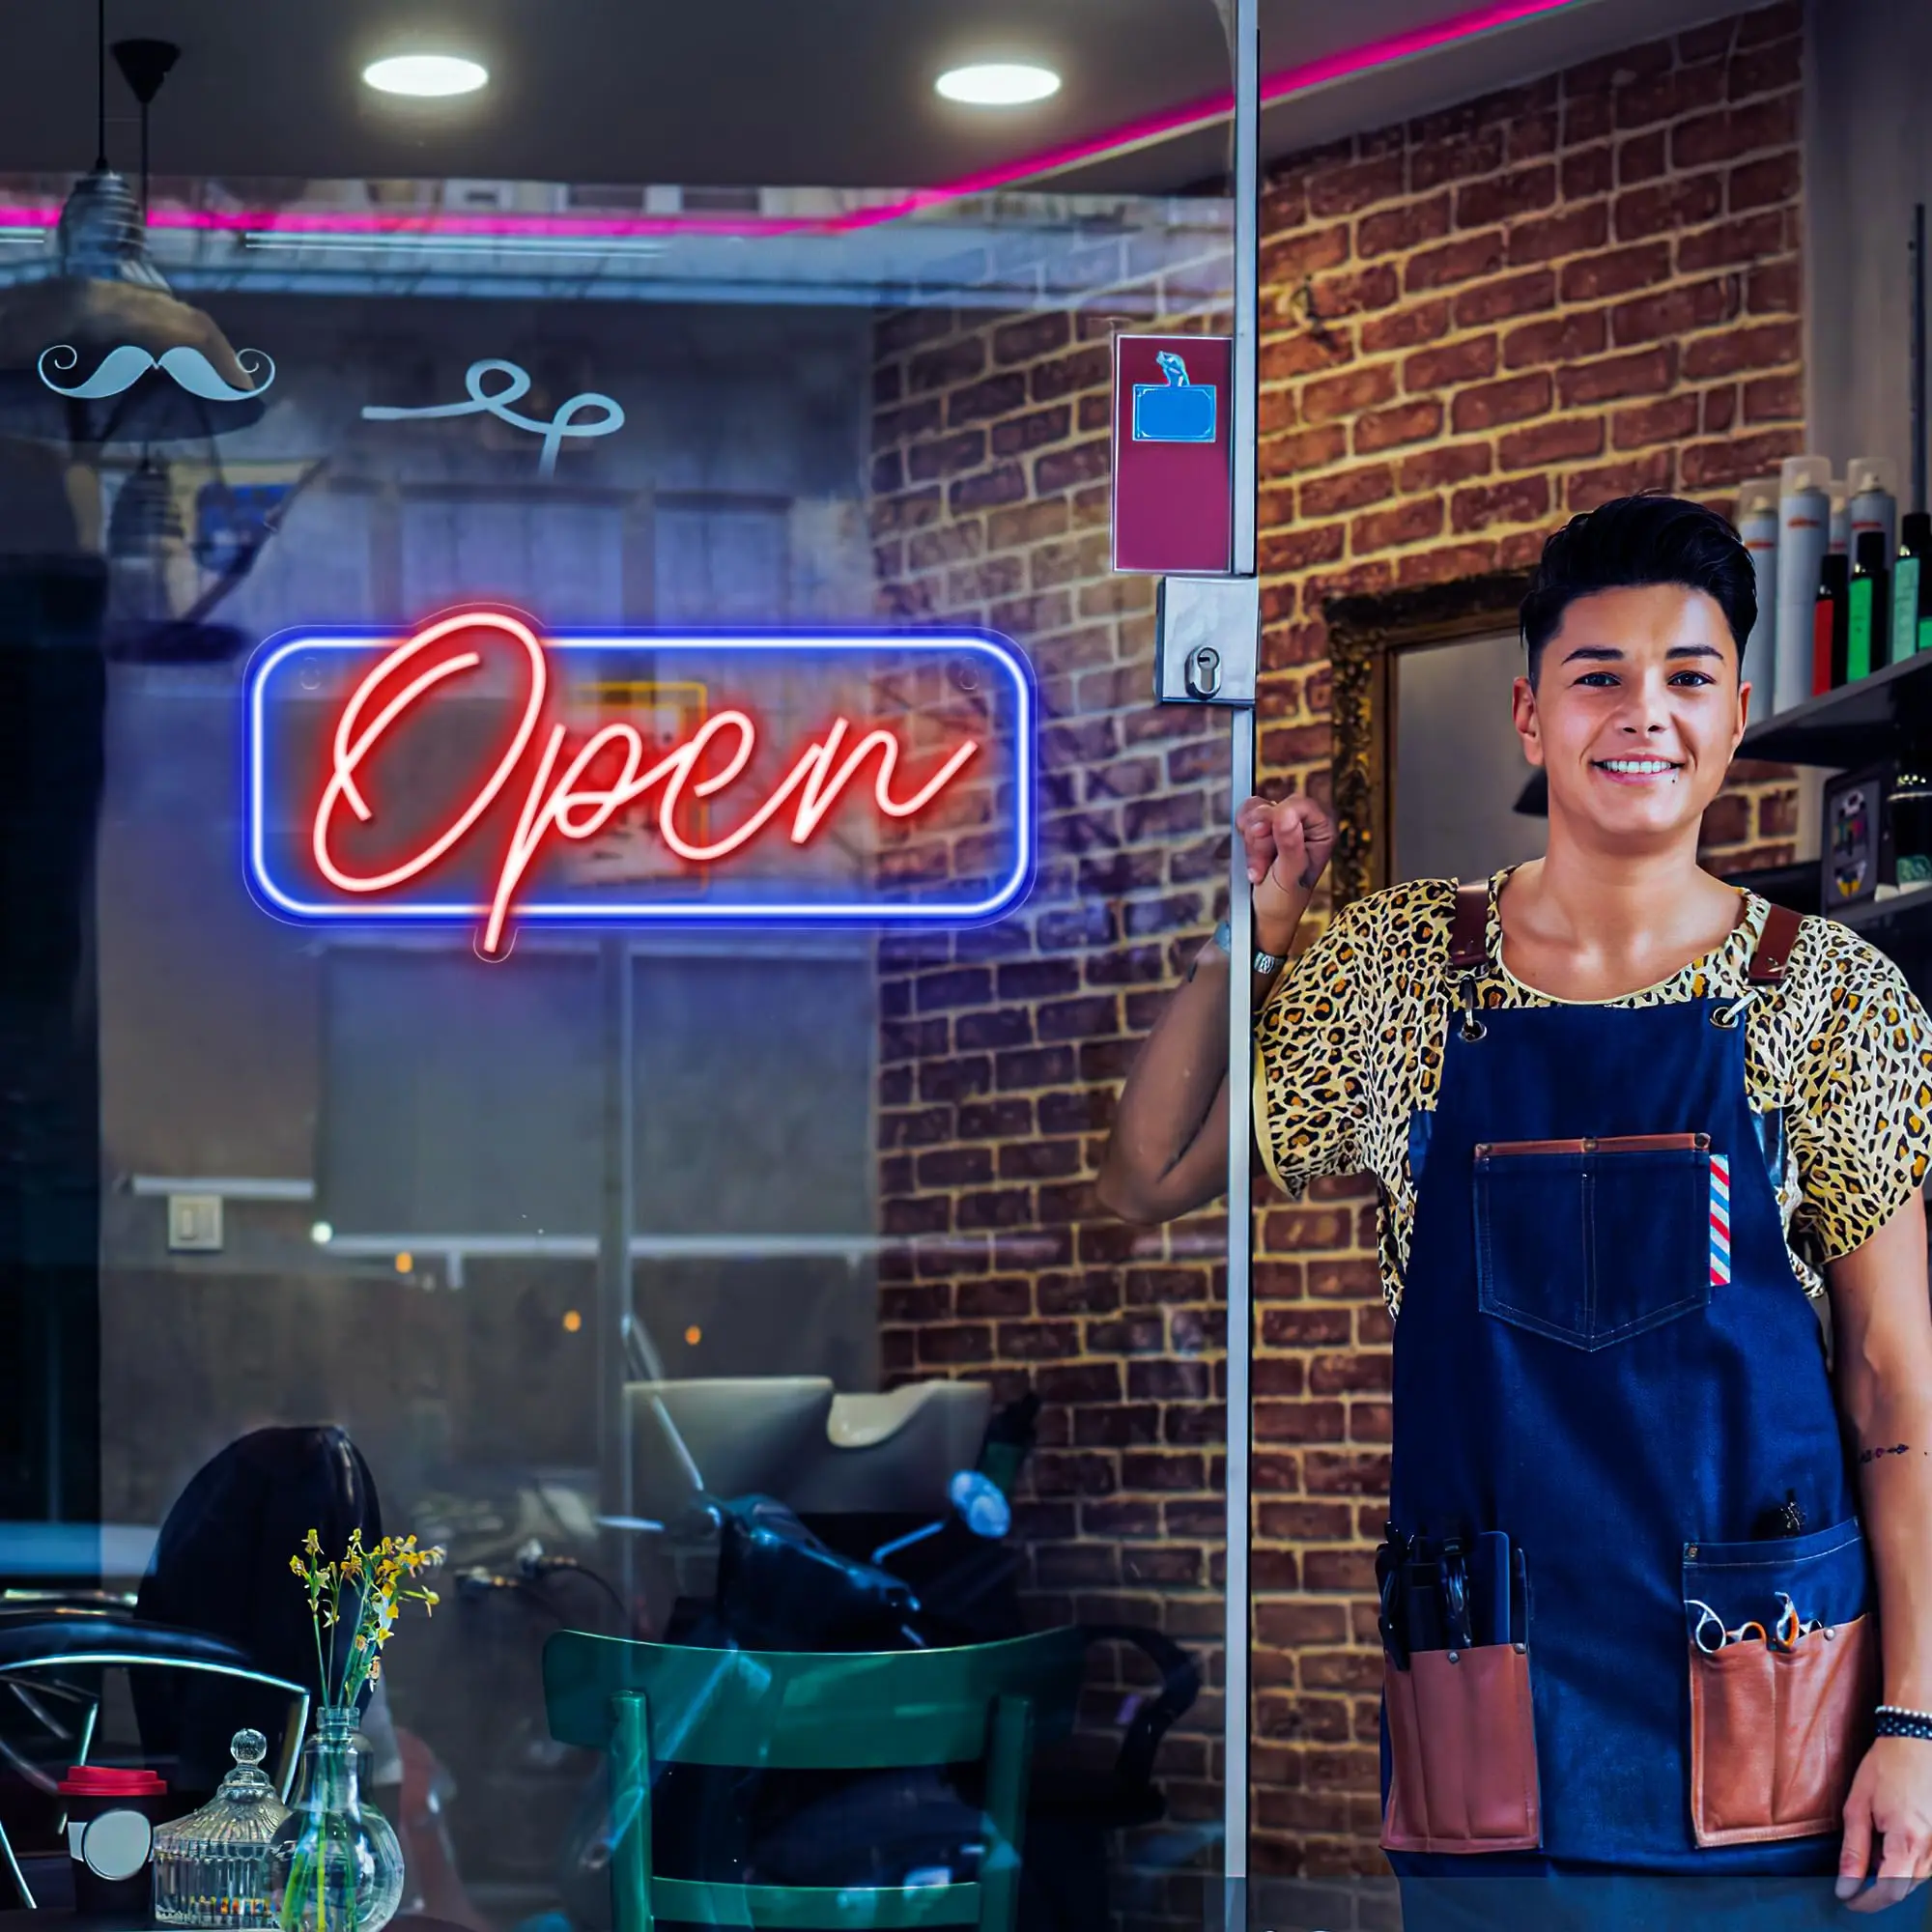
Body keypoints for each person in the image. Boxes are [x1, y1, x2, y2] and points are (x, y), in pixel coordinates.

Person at [1098, 495, 1932, 1922]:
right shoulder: (1401, 970)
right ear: (1531, 716)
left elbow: (1895, 1393)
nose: (1643, 713)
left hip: (1781, 1720)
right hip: (1496, 1724)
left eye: (1685, 677)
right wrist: (1261, 935)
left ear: (1737, 713)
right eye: (1597, 674)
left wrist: (1914, 1726)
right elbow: (1147, 1174)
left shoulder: (1832, 996)